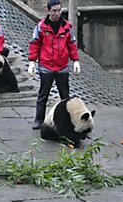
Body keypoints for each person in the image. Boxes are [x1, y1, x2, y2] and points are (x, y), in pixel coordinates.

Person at [28, 0, 80, 130]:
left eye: (59, 10)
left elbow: (72, 44)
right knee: (43, 95)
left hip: (62, 66)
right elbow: (35, 44)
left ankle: (67, 121)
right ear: (48, 11)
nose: (57, 13)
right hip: (46, 66)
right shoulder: (41, 27)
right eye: (54, 11)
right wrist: (32, 61)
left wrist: (76, 60)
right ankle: (39, 119)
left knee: (65, 96)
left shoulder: (67, 27)